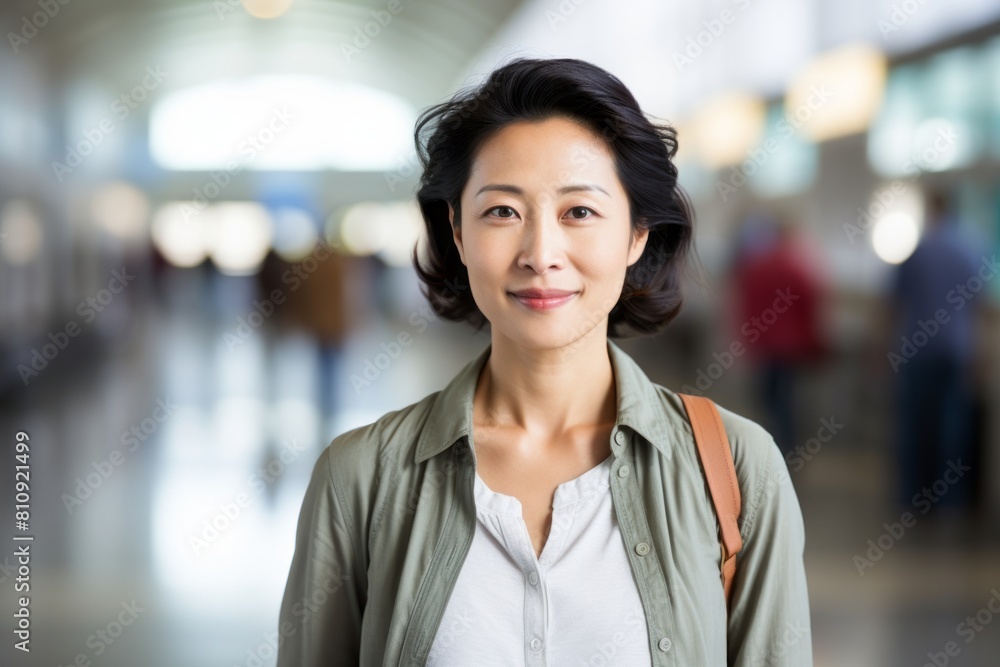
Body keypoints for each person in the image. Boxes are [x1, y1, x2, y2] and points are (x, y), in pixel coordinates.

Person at [277, 57, 812, 666]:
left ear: (637, 233)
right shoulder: (360, 479)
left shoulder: (738, 473)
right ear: (456, 230)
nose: (540, 253)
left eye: (578, 212)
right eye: (502, 211)